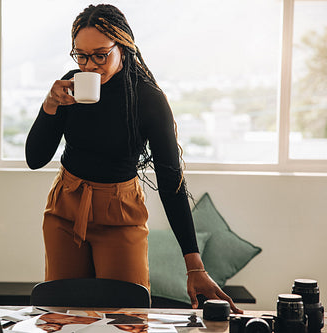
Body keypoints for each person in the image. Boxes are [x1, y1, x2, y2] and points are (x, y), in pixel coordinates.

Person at [25, 4, 242, 313]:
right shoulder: (69, 88)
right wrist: (49, 105)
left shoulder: (147, 99)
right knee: (64, 317)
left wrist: (194, 265)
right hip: (65, 210)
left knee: (128, 317)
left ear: (123, 47)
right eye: (81, 56)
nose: (89, 66)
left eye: (101, 55)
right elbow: (35, 158)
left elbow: (171, 181)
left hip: (121, 214)